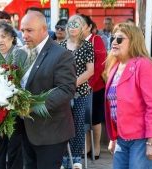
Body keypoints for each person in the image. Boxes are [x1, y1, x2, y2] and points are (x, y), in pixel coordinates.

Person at [105, 23, 152, 169]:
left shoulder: (145, 65)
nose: (114, 42)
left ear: (133, 41)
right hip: (122, 136)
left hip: (143, 136)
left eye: (120, 39)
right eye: (113, 38)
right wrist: (114, 137)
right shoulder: (115, 67)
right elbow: (115, 105)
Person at [20, 10, 76, 169]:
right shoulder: (21, 53)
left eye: (29, 30)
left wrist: (32, 106)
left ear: (44, 29)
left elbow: (66, 89)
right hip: (26, 130)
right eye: (23, 30)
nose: (24, 35)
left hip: (51, 132)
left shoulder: (61, 54)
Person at [0, 21, 27, 169]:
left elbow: (25, 80)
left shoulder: (21, 54)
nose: (0, 40)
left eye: (3, 36)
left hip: (15, 108)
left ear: (12, 38)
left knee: (14, 149)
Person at [59, 14, 94, 168]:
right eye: (71, 24)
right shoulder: (60, 46)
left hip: (80, 93)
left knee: (78, 124)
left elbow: (90, 71)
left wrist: (72, 84)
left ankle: (77, 158)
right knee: (63, 124)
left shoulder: (87, 46)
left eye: (76, 24)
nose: (73, 27)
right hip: (63, 94)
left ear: (82, 28)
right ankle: (64, 157)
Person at [81, 14, 107, 160]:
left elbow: (100, 65)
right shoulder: (75, 41)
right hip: (80, 88)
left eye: (82, 25)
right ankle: (87, 146)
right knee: (84, 119)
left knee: (95, 119)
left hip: (95, 86)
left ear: (89, 27)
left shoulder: (96, 40)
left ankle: (96, 147)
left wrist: (89, 83)